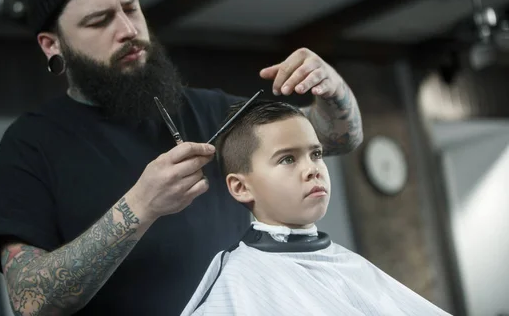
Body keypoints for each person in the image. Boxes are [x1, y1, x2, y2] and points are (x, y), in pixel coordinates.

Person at [0, 0, 363, 316]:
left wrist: (333, 91)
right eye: (99, 20)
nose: (127, 30)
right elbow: (30, 299)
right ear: (51, 44)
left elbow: (337, 139)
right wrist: (142, 206)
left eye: (131, 9)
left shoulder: (211, 110)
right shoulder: (31, 144)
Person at [180, 100, 450, 316]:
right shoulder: (239, 284)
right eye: (287, 159)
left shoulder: (348, 265)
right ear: (241, 187)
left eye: (316, 154)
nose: (312, 169)